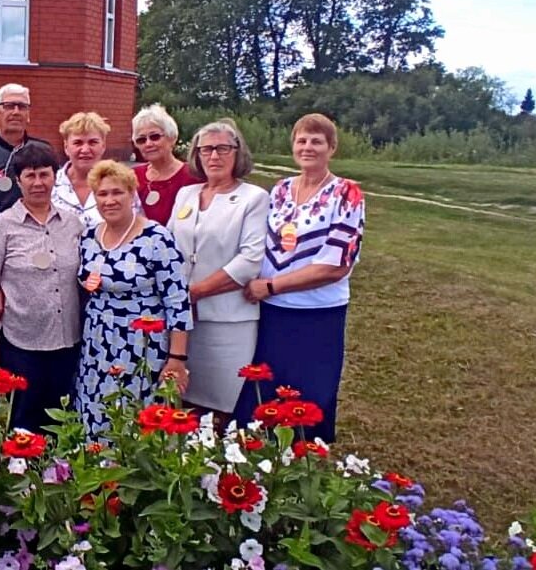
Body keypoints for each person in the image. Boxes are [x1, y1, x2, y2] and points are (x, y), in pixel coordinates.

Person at [239, 113, 365, 443]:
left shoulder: (346, 194)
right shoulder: (280, 190)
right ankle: (262, 455)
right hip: (272, 312)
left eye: (316, 141)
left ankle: (300, 460)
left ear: (332, 148)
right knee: (265, 389)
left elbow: (336, 264)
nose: (308, 147)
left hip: (316, 313)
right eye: (301, 140)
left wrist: (271, 286)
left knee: (306, 394)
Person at [75, 160, 192, 438]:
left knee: (136, 417)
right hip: (97, 344)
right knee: (96, 411)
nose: (110, 200)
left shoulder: (157, 238)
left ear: (132, 194)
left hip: (142, 346)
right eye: (102, 194)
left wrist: (177, 358)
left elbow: (178, 301)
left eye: (118, 193)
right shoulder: (89, 236)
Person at [0, 143, 84, 431]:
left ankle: (57, 472)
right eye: (30, 176)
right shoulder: (2, 226)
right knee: (23, 417)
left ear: (54, 177)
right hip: (22, 340)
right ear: (19, 180)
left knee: (61, 416)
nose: (38, 183)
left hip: (67, 339)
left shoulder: (72, 223)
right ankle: (21, 471)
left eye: (44, 175)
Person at [167, 121, 268, 423]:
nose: (214, 156)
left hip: (228, 320)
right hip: (182, 323)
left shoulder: (254, 197)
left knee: (222, 403)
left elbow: (250, 259)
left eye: (223, 148)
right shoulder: (186, 194)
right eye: (206, 149)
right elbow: (169, 248)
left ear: (237, 153)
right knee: (180, 399)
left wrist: (193, 294)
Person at [0, 83, 52, 211]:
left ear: (28, 114)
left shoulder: (44, 150)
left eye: (22, 107)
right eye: (8, 106)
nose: (16, 112)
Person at [131, 104, 199, 224]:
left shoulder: (193, 176)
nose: (148, 144)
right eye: (141, 139)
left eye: (155, 137)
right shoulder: (132, 176)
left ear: (172, 138)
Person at [52, 111, 115, 228]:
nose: (85, 149)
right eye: (78, 143)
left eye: (93, 142)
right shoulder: (49, 185)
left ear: (103, 146)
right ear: (66, 147)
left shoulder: (120, 184)